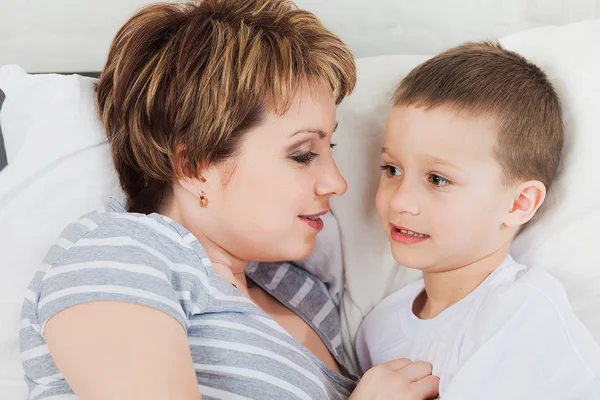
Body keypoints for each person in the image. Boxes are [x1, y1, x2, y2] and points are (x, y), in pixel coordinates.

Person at [19, 1, 440, 399]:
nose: (336, 182)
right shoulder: (123, 254)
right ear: (194, 165)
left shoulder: (299, 289)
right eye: (303, 154)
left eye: (331, 147)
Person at [355, 41, 600, 399]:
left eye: (438, 179)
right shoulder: (379, 328)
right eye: (392, 169)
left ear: (518, 203)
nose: (401, 201)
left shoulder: (524, 312)